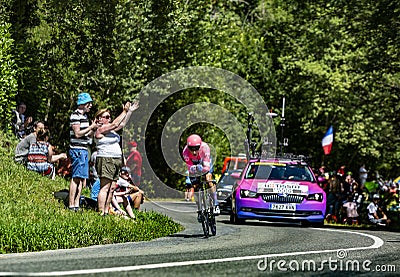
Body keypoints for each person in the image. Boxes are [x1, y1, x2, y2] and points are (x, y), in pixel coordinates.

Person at [95, 100, 139, 216]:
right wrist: (124, 111)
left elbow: (122, 124)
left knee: (112, 188)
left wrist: (129, 112)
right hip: (106, 159)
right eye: (106, 117)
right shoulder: (99, 130)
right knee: (105, 187)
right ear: (99, 119)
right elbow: (115, 124)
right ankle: (101, 212)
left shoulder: (111, 131)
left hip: (115, 160)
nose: (109, 119)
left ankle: (106, 210)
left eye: (109, 117)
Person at [68, 92, 97, 211]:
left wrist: (93, 129)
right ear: (82, 103)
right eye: (88, 103)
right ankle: (71, 204)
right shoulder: (75, 116)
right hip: (77, 149)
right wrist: (90, 127)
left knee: (81, 178)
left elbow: (87, 135)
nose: (90, 105)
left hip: (84, 149)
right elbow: (77, 133)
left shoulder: (85, 117)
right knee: (76, 177)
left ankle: (77, 204)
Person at [182, 134, 220, 221]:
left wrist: (202, 169)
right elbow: (189, 167)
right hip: (194, 165)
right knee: (195, 187)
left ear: (200, 146)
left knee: (208, 179)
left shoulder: (205, 148)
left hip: (205, 163)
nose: (194, 151)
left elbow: (206, 167)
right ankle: (199, 210)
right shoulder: (185, 152)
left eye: (196, 148)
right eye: (191, 149)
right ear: (188, 147)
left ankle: (215, 204)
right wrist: (193, 169)